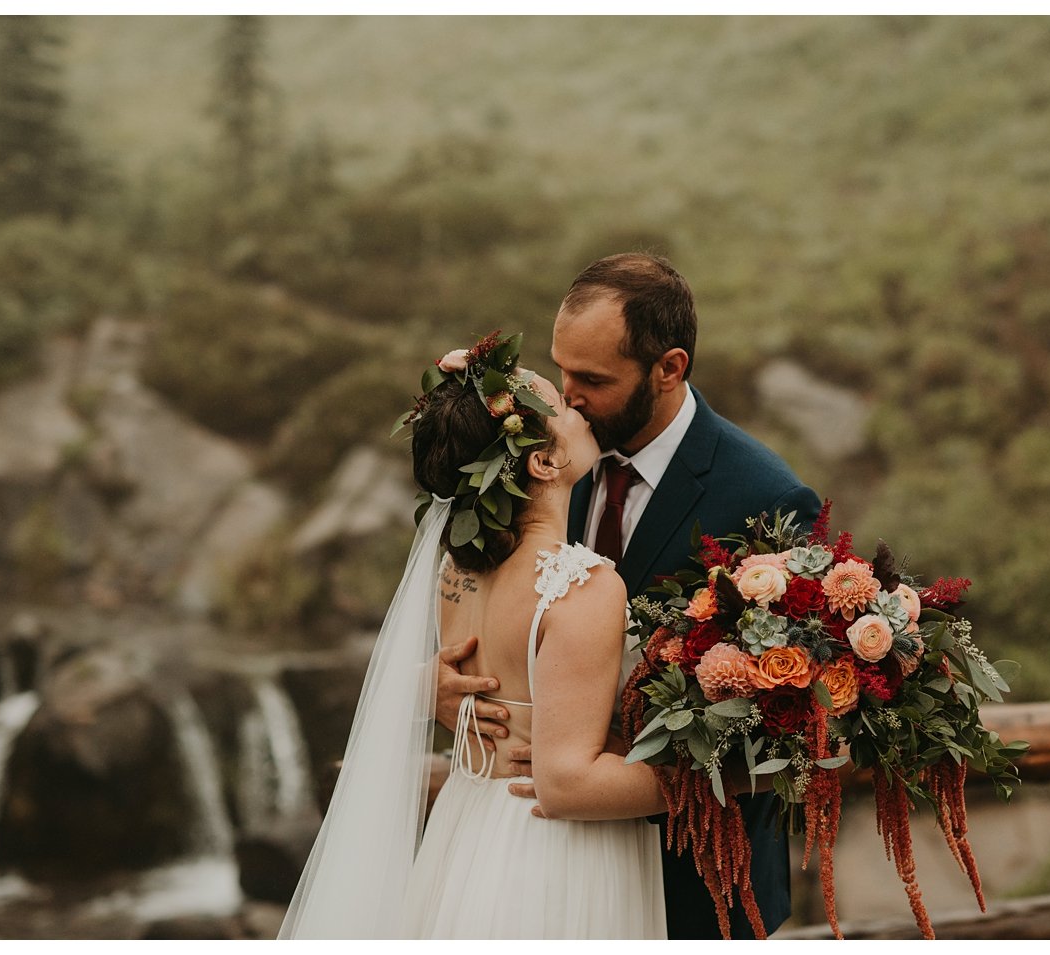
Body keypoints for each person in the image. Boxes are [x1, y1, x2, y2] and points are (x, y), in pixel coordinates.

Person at [437, 253, 820, 939]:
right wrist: (435, 685)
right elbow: (486, 606)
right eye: (560, 370)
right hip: (536, 865)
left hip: (697, 880)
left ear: (669, 367)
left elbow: (793, 722)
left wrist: (627, 742)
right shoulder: (546, 456)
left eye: (592, 378)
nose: (567, 395)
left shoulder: (766, 499)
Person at [280, 333, 672, 938]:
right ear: (542, 462)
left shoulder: (452, 572)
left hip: (469, 831)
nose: (577, 405)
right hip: (552, 858)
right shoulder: (584, 585)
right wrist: (719, 775)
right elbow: (567, 784)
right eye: (561, 408)